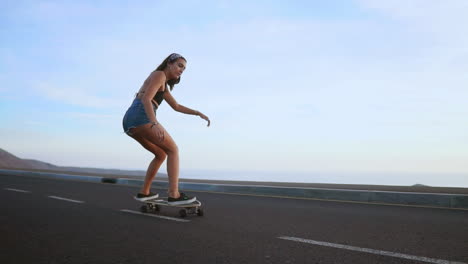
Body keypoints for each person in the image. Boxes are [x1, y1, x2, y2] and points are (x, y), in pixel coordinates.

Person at [122, 53, 210, 205]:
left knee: (161, 154)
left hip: (130, 120)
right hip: (141, 115)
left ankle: (144, 192)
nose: (182, 70)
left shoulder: (163, 84)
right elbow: (146, 99)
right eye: (179, 65)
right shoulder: (159, 75)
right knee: (173, 150)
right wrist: (154, 123)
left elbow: (176, 106)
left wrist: (197, 113)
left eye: (184, 69)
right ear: (169, 63)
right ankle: (174, 194)